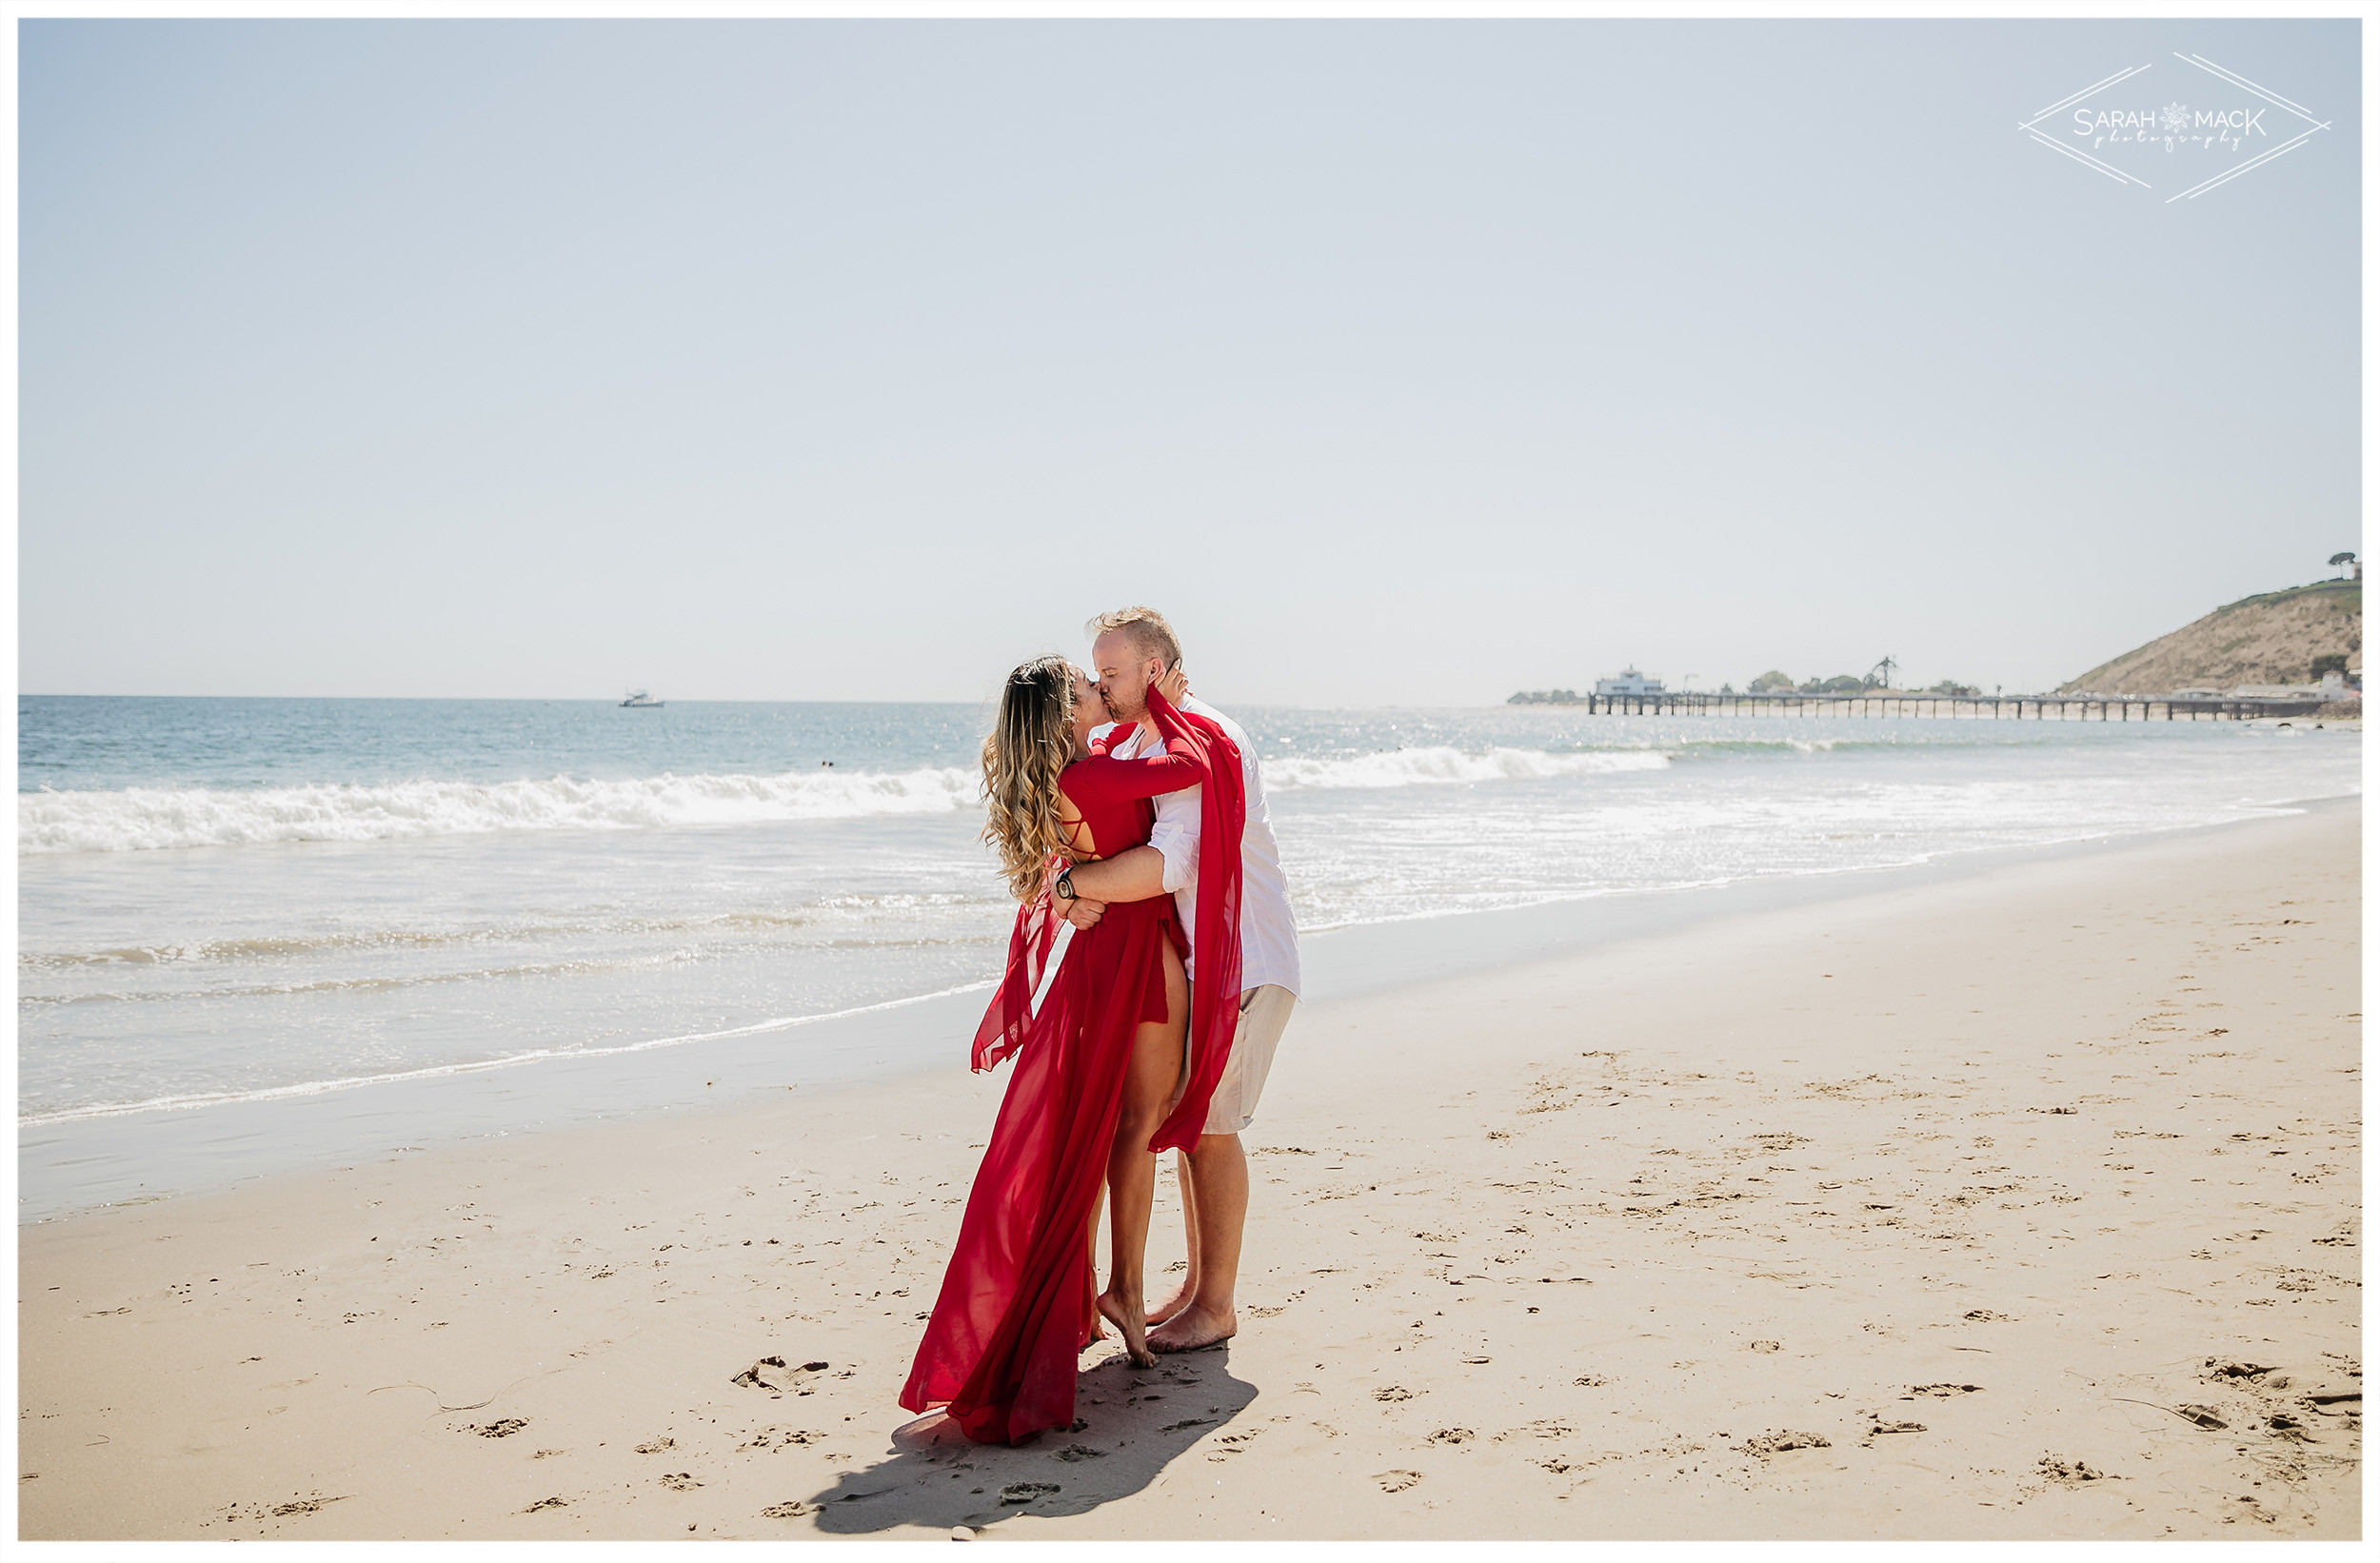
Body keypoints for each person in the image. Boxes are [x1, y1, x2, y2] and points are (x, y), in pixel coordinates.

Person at [900, 656, 1244, 1445]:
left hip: (1100, 960)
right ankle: (1122, 1291)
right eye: (1092, 689)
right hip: (1135, 956)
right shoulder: (1090, 780)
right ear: (1067, 715)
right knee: (1140, 1123)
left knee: (1110, 1124)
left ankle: (1103, 1291)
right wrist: (1159, 697)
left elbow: (1076, 861)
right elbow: (1191, 759)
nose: (1105, 691)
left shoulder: (1074, 778)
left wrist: (1071, 889)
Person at [1056, 606, 1299, 1355]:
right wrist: (1065, 884)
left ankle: (1217, 1304)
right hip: (1208, 966)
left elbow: (1176, 863)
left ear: (1153, 671)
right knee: (1194, 1127)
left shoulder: (1202, 740)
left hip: (1247, 965)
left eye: (1112, 673)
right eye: (1095, 673)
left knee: (1215, 1131)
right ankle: (1195, 1288)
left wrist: (1075, 886)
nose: (1100, 683)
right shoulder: (1147, 738)